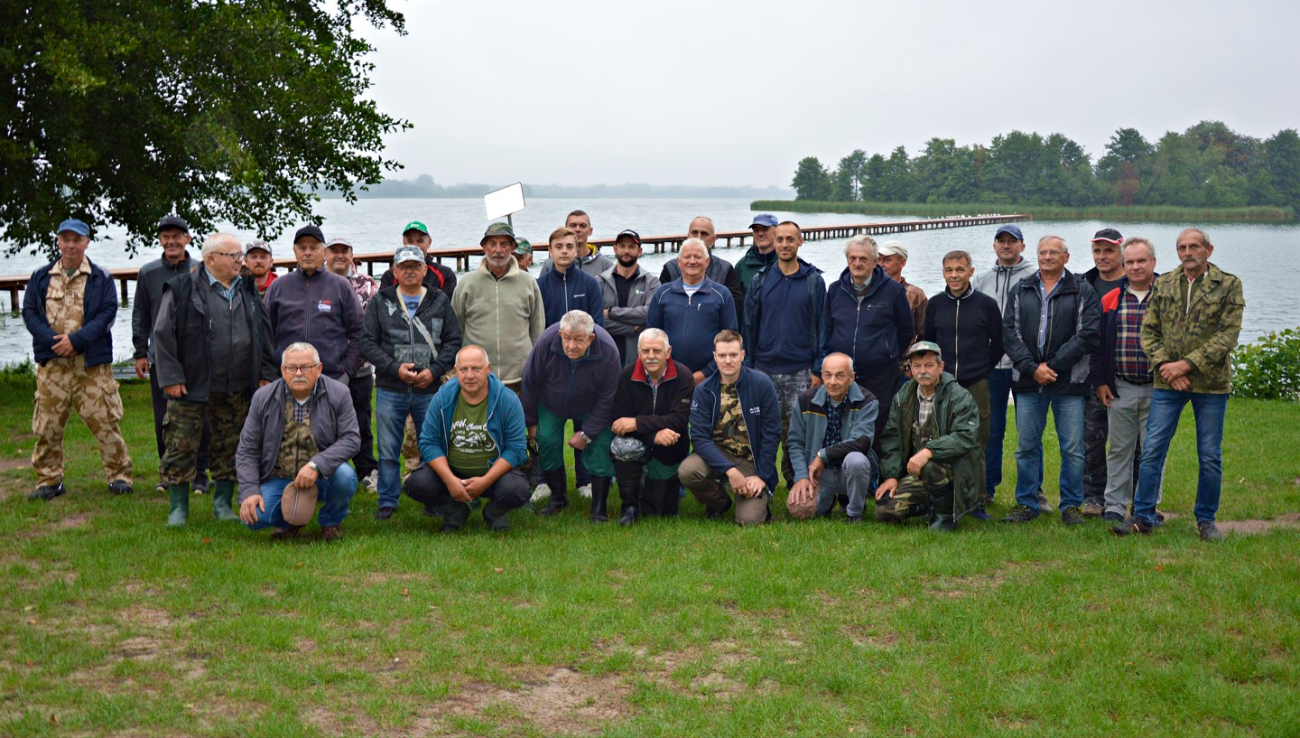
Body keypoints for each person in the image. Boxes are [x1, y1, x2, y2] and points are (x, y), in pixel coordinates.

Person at [1114, 228, 1244, 542]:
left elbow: (1228, 335)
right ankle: (1143, 516)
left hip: (1210, 384)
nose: (1188, 252)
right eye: (1182, 247)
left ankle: (1206, 520)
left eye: (1194, 246)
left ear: (1208, 250)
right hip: (1167, 382)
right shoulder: (1164, 284)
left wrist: (1186, 364)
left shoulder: (1228, 284)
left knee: (1209, 454)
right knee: (1153, 449)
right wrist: (1166, 367)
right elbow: (1149, 331)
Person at [152, 232, 277, 525]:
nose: (240, 261)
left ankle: (222, 505)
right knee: (181, 445)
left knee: (231, 444)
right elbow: (162, 334)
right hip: (191, 384)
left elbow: (265, 335)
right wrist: (170, 376)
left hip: (235, 385)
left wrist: (265, 374)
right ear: (211, 259)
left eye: (239, 255)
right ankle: (178, 509)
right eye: (233, 256)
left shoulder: (248, 288)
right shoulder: (182, 288)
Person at [23, 218, 133, 501]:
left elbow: (107, 313)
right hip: (53, 367)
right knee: (47, 425)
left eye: (77, 239)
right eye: (65, 239)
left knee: (106, 421)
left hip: (91, 366)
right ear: (58, 241)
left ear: (86, 242)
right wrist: (53, 342)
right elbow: (30, 314)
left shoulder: (101, 277)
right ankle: (49, 480)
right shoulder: (40, 276)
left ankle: (119, 476)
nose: (71, 245)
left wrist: (78, 341)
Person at [1001, 235, 1100, 525]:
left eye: (1053, 252)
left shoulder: (1082, 290)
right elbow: (1010, 333)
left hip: (1068, 382)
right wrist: (1033, 368)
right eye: (1042, 252)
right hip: (1029, 382)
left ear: (1066, 257)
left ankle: (1070, 506)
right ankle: (1027, 503)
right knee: (1026, 447)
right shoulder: (1022, 288)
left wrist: (1052, 366)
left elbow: (1088, 334)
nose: (1047, 257)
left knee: (1072, 447)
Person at [361, 246, 462, 521]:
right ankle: (388, 501)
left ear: (424, 270)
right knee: (388, 449)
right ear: (394, 271)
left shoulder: (439, 300)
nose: (409, 271)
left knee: (432, 447)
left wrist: (435, 370)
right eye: (403, 266)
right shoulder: (381, 301)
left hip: (429, 389)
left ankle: (433, 498)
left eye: (415, 266)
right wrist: (394, 368)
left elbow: (453, 340)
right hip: (390, 389)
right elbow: (367, 342)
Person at [236, 342, 360, 541]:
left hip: (324, 477)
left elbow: (351, 439)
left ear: (318, 369)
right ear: (283, 371)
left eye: (306, 367)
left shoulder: (339, 393)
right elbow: (247, 450)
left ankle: (331, 522)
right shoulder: (263, 397)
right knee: (254, 518)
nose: (298, 373)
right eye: (292, 368)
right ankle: (291, 520)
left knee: (345, 475)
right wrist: (250, 491)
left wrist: (317, 465)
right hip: (279, 477)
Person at [406, 345, 530, 532]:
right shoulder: (442, 398)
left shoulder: (508, 400)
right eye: (463, 369)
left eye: (476, 369)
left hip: (494, 475)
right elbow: (428, 442)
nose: (469, 375)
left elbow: (517, 449)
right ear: (456, 371)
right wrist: (449, 480)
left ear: (488, 369)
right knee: (416, 484)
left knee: (518, 490)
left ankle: (494, 512)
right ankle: (454, 509)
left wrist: (486, 480)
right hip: (453, 472)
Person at [743, 220, 826, 491]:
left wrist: (817, 368)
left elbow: (822, 326)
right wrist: (749, 365)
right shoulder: (761, 279)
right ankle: (764, 482)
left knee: (797, 431)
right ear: (774, 242)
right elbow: (749, 324)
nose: (785, 244)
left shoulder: (814, 281)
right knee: (764, 428)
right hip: (763, 368)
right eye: (780, 239)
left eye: (791, 239)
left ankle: (796, 482)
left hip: (800, 369)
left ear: (800, 242)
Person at [922, 250, 1003, 519]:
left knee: (976, 441)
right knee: (940, 437)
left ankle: (977, 500)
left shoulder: (986, 305)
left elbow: (998, 343)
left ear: (971, 271)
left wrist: (982, 370)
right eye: (949, 270)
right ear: (943, 272)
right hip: (943, 384)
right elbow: (930, 345)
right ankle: (941, 495)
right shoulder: (934, 304)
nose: (954, 275)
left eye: (960, 269)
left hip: (975, 383)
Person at [132, 215, 208, 493]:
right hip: (161, 358)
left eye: (177, 235)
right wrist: (140, 351)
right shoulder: (148, 272)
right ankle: (168, 472)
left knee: (201, 417)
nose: (171, 240)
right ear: (160, 240)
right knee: (163, 418)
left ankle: (200, 473)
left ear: (187, 239)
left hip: (197, 358)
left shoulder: (201, 270)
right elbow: (140, 313)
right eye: (166, 236)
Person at [519, 311, 620, 519]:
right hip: (551, 402)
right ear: (560, 334)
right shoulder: (546, 343)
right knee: (546, 440)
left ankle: (599, 506)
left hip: (592, 404)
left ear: (590, 338)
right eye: (567, 339)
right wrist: (531, 423)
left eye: (578, 340)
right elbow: (529, 383)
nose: (572, 346)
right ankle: (558, 497)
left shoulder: (609, 351)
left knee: (600, 444)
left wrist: (587, 433)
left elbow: (608, 399)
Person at [874, 342, 984, 530]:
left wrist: (929, 451)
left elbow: (966, 437)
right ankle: (929, 506)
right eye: (917, 366)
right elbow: (891, 439)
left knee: (931, 466)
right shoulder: (903, 396)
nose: (922, 371)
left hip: (954, 473)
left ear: (940, 367)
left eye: (929, 365)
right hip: (917, 472)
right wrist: (891, 476)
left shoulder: (959, 396)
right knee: (885, 510)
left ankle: (946, 515)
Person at [822, 234, 914, 454]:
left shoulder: (892, 291)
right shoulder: (835, 290)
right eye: (852, 258)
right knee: (843, 424)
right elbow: (827, 330)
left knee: (879, 426)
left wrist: (888, 354)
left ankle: (879, 478)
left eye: (863, 259)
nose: (857, 263)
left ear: (875, 262)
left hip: (880, 374)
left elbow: (906, 330)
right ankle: (845, 476)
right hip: (842, 374)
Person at [1090, 237, 1160, 524]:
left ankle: (1147, 508)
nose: (1135, 266)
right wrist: (1101, 381)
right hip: (1122, 386)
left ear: (1153, 262)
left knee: (1154, 450)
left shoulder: (1166, 295)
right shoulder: (1111, 298)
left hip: (1159, 388)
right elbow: (1099, 344)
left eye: (1141, 261)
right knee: (1119, 449)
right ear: (1123, 263)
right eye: (1130, 261)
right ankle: (1115, 506)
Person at [679, 331, 781, 525]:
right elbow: (699, 438)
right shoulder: (704, 390)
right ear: (714, 357)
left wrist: (762, 476)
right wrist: (731, 472)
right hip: (718, 455)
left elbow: (772, 434)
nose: (728, 361)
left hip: (751, 460)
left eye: (733, 355)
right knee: (687, 470)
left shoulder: (761, 384)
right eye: (723, 355)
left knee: (748, 521)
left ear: (742, 355)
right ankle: (719, 501)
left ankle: (759, 495)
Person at [972, 224, 1040, 508]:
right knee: (991, 430)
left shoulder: (1035, 277)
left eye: (1012, 241)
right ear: (994, 246)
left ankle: (1034, 491)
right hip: (992, 366)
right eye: (1001, 241)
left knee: (1029, 433)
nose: (1006, 245)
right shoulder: (981, 279)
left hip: (1026, 364)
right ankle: (987, 487)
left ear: (1022, 246)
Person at [608, 328, 695, 523]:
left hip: (669, 446)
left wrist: (638, 422)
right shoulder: (627, 375)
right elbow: (619, 421)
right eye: (645, 351)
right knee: (621, 446)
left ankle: (649, 485)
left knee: (660, 511)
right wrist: (652, 435)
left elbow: (679, 421)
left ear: (668, 352)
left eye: (656, 351)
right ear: (639, 353)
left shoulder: (683, 376)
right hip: (639, 442)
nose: (651, 356)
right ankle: (629, 505)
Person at [451, 222, 545, 392]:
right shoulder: (466, 283)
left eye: (504, 244)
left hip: (520, 377)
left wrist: (535, 368)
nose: (498, 250)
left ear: (512, 247)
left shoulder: (528, 283)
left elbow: (537, 330)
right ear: (484, 247)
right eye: (492, 244)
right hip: (478, 379)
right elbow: (456, 328)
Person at [264, 225, 365, 383]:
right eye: (302, 248)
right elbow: (265, 334)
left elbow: (360, 332)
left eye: (313, 247)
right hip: (287, 378)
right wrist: (269, 373)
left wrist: (346, 372)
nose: (308, 252)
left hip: (332, 378)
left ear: (324, 252)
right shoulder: (278, 287)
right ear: (295, 252)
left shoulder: (341, 287)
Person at [785, 352, 878, 522]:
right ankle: (827, 499)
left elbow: (862, 442)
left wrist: (822, 455)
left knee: (856, 460)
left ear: (852, 378)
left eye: (840, 376)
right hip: (819, 474)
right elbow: (795, 442)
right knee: (800, 510)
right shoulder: (806, 400)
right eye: (828, 375)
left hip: (849, 470)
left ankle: (855, 512)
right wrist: (801, 478)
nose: (832, 382)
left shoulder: (867, 401)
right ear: (822, 375)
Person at [326, 236, 380, 494]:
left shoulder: (368, 285)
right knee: (323, 423)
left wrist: (352, 364)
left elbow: (371, 328)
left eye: (344, 251)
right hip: (323, 369)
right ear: (325, 254)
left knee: (360, 421)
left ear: (351, 254)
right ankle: (325, 470)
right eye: (333, 251)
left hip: (358, 369)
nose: (339, 255)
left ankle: (367, 472)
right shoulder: (316, 283)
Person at [646, 238, 739, 384]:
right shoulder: (662, 293)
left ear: (707, 262)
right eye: (687, 257)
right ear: (678, 261)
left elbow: (730, 340)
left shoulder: (722, 294)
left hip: (710, 379)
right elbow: (651, 336)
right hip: (669, 377)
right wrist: (664, 369)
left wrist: (706, 373)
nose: (692, 261)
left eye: (697, 257)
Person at [1080, 228, 1126, 516]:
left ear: (1122, 251)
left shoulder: (1136, 282)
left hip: (1125, 374)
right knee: (1092, 439)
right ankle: (1094, 496)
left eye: (1108, 250)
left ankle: (1128, 496)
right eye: (1097, 250)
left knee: (1130, 443)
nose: (1102, 256)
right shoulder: (1084, 283)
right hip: (1089, 374)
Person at [597, 229, 660, 366]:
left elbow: (649, 314)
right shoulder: (599, 282)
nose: (626, 251)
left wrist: (611, 312)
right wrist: (631, 328)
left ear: (640, 251)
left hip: (639, 360)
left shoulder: (652, 282)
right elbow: (596, 321)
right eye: (622, 246)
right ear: (615, 249)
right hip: (606, 358)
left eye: (631, 247)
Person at [659, 217, 743, 310]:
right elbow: (660, 304)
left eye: (704, 234)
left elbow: (735, 307)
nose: (698, 237)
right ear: (688, 236)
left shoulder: (726, 269)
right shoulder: (670, 268)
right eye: (694, 233)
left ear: (713, 239)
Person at [537, 227, 605, 328]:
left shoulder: (589, 283)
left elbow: (598, 324)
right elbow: (537, 325)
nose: (564, 251)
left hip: (584, 342)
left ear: (576, 250)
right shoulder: (540, 285)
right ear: (550, 251)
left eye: (569, 247)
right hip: (552, 343)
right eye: (559, 247)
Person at [378, 220, 457, 299]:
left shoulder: (445, 275)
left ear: (429, 242)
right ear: (404, 243)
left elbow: (447, 307)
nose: (415, 246)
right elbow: (381, 306)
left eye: (420, 241)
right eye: (410, 241)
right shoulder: (389, 277)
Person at [877, 241, 927, 341]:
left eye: (887, 260)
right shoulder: (869, 291)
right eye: (878, 260)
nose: (881, 264)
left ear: (902, 262)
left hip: (905, 355)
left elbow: (924, 332)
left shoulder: (916, 294)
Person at [540, 210, 615, 277]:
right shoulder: (550, 264)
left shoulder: (605, 264)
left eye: (583, 226)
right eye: (573, 225)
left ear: (590, 231)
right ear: (565, 229)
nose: (577, 229)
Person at [735, 213, 778, 292]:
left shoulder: (787, 262)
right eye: (756, 230)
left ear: (777, 232)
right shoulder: (741, 266)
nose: (760, 233)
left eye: (765, 229)